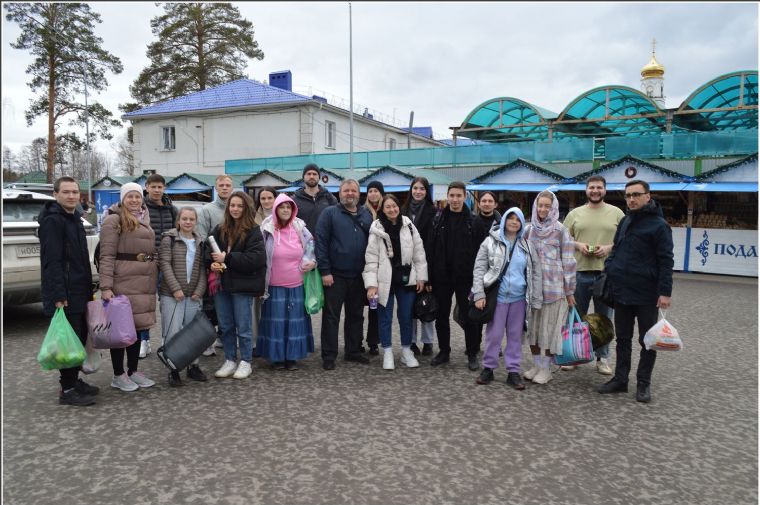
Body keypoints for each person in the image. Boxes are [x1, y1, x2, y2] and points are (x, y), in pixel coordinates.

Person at [599, 180, 674, 403]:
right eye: (628, 195)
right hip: (622, 291)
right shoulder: (625, 221)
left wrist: (665, 292)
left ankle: (643, 383)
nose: (631, 199)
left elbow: (666, 260)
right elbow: (616, 248)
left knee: (647, 340)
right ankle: (621, 380)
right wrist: (610, 267)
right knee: (622, 338)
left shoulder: (660, 226)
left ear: (647, 196)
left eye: (636, 195)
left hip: (646, 294)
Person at [38, 176, 99, 406]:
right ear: (56, 195)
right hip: (65, 291)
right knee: (69, 340)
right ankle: (68, 388)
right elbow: (51, 261)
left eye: (75, 192)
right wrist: (58, 295)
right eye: (66, 192)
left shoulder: (74, 218)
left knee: (80, 336)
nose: (72, 196)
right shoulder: (53, 221)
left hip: (80, 287)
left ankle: (74, 379)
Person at [471, 208, 542, 389]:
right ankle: (488, 368)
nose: (513, 222)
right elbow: (479, 268)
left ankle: (513, 371)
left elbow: (535, 274)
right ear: (503, 221)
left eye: (517, 219)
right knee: (494, 335)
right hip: (498, 298)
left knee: (515, 337)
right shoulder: (490, 242)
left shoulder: (527, 246)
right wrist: (478, 293)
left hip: (519, 299)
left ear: (521, 224)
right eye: (510, 218)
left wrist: (535, 299)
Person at [99, 182, 158, 392]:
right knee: (120, 330)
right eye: (130, 196)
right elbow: (106, 255)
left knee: (136, 328)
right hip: (122, 281)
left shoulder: (144, 217)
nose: (134, 200)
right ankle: (118, 374)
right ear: (123, 199)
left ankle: (133, 371)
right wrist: (105, 286)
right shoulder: (113, 220)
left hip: (143, 281)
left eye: (137, 196)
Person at [562, 175, 624, 375]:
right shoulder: (575, 214)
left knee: (604, 318)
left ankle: (602, 358)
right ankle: (574, 355)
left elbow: (625, 240)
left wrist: (608, 248)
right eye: (591, 187)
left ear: (605, 190)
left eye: (599, 187)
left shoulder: (617, 213)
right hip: (578, 272)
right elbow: (562, 239)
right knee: (576, 315)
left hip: (606, 274)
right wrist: (578, 245)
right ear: (586, 190)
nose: (595, 191)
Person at [363, 194, 427, 370]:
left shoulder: (409, 225)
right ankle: (388, 352)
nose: (392, 209)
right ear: (382, 209)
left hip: (406, 279)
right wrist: (371, 284)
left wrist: (421, 276)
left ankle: (406, 351)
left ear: (399, 207)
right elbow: (371, 258)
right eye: (388, 207)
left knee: (406, 316)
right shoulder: (376, 228)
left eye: (394, 206)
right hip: (384, 280)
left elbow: (419, 253)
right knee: (385, 317)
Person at [315, 179, 373, 370]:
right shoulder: (329, 213)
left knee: (356, 315)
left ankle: (353, 350)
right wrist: (325, 271)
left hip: (358, 275)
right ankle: (329, 355)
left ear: (359, 194)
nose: (350, 194)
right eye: (346, 190)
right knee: (332, 316)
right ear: (339, 193)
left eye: (353, 191)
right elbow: (321, 243)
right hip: (335, 275)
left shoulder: (366, 214)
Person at [207, 191, 266, 380]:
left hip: (243, 286)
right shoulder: (219, 228)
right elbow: (207, 251)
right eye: (232, 205)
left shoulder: (254, 231)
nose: (235, 209)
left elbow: (256, 259)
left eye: (239, 206)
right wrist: (212, 262)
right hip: (222, 285)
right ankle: (230, 359)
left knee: (244, 326)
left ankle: (246, 361)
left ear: (246, 208)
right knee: (225, 325)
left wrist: (227, 258)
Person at [256, 194, 316, 370]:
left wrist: (312, 262)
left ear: (293, 210)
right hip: (273, 287)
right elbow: (258, 253)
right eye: (282, 207)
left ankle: (291, 357)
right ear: (275, 208)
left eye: (289, 207)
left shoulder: (300, 227)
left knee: (294, 323)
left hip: (297, 285)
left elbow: (312, 246)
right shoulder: (266, 228)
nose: (285, 210)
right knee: (276, 323)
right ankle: (276, 358)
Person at [522, 190, 576, 385]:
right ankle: (536, 364)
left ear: (554, 208)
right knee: (534, 330)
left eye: (547, 206)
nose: (543, 209)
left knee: (550, 331)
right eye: (540, 205)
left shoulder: (561, 230)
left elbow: (569, 261)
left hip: (554, 289)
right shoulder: (528, 230)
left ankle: (546, 368)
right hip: (532, 290)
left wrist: (570, 291)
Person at [428, 181, 481, 370]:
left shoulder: (473, 221)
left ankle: (472, 353)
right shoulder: (438, 219)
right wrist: (430, 278)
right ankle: (444, 351)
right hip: (442, 277)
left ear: (465, 196)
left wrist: (478, 280)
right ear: (447, 197)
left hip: (465, 277)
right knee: (441, 315)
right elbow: (431, 250)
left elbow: (479, 254)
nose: (455, 199)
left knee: (469, 317)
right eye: (452, 195)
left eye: (459, 196)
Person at [158, 206, 208, 386]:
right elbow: (164, 264)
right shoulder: (169, 239)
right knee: (173, 332)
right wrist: (175, 289)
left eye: (191, 219)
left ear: (196, 222)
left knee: (194, 333)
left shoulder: (200, 241)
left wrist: (199, 290)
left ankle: (193, 366)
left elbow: (203, 268)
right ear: (178, 220)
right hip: (172, 295)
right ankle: (174, 369)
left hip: (193, 295)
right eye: (184, 219)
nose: (188, 222)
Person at [197, 175, 234, 357]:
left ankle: (222, 336)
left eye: (228, 185)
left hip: (232, 263)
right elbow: (202, 237)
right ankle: (207, 340)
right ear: (216, 187)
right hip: (213, 263)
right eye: (221, 185)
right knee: (210, 303)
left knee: (228, 301)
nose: (225, 188)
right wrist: (212, 261)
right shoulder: (207, 210)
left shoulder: (237, 208)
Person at [142, 173, 178, 358]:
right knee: (145, 302)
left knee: (166, 302)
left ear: (164, 188)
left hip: (167, 261)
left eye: (160, 187)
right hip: (147, 260)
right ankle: (144, 340)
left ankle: (167, 338)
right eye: (153, 187)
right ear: (147, 187)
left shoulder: (171, 208)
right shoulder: (140, 207)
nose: (157, 190)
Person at [401, 176, 437, 357]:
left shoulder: (434, 211)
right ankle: (412, 341)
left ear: (426, 191)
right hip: (407, 267)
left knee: (426, 304)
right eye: (415, 188)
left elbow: (435, 243)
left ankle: (428, 342)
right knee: (409, 307)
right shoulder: (402, 211)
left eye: (422, 188)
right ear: (411, 190)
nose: (418, 191)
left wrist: (429, 276)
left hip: (426, 264)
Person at [362, 180, 385, 355]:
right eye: (370, 191)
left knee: (376, 307)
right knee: (361, 306)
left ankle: (374, 341)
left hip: (382, 265)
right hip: (365, 264)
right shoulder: (363, 212)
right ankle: (356, 341)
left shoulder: (388, 209)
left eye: (376, 191)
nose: (373, 194)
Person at [292, 163, 338, 235]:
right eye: (308, 174)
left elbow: (336, 221)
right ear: (303, 177)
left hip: (325, 242)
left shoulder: (330, 198)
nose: (311, 176)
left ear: (319, 177)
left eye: (314, 174)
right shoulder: (294, 200)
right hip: (302, 243)